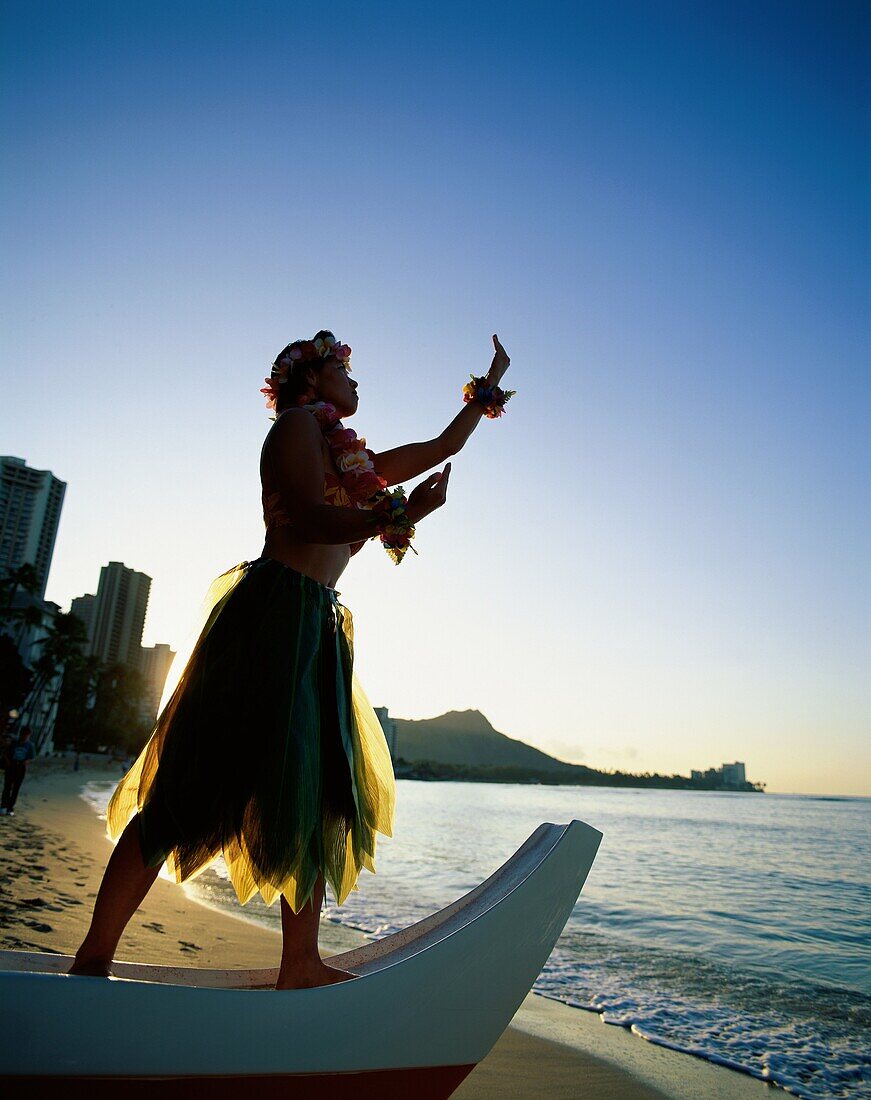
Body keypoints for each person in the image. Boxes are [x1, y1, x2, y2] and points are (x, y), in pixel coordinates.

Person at [69, 330, 512, 988]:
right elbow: (305, 517)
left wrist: (489, 382)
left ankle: (299, 963)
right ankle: (93, 959)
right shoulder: (297, 428)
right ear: (310, 381)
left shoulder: (351, 457)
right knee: (187, 788)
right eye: (345, 369)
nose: (356, 382)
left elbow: (443, 447)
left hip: (315, 626)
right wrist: (395, 514)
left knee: (307, 790)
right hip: (270, 616)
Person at [1, 725, 36, 816]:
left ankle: (10, 808)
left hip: (21, 767)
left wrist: (26, 762)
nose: (24, 737)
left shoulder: (30, 745)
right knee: (7, 787)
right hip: (12, 765)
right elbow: (6, 753)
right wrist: (8, 762)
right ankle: (3, 806)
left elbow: (32, 757)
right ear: (21, 734)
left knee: (16, 789)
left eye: (26, 735)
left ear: (29, 735)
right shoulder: (14, 743)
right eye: (23, 735)